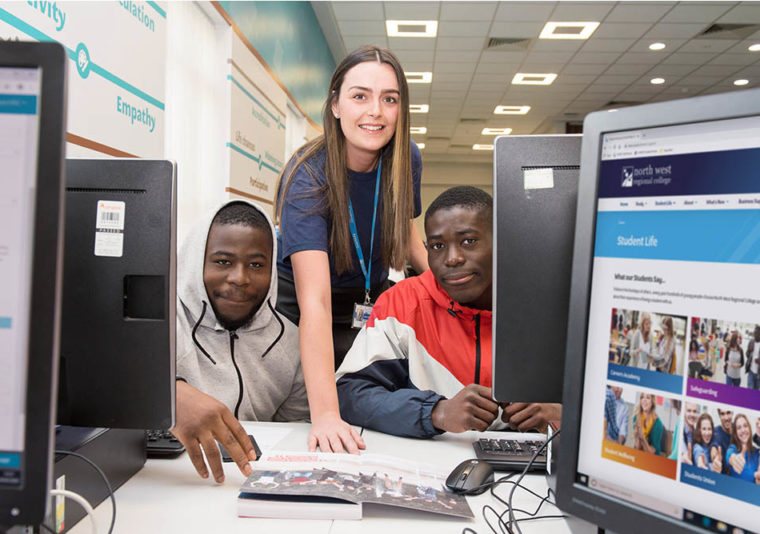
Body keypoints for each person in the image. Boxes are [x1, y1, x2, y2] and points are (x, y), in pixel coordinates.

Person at [274, 45, 429, 453]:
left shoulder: (406, 158)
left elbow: (406, 230)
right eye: (360, 96)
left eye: (389, 99)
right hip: (304, 305)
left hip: (366, 299)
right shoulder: (306, 175)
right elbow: (316, 302)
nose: (375, 111)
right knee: (326, 413)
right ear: (336, 106)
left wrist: (445, 284)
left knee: (378, 404)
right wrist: (325, 415)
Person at [335, 186, 561, 438]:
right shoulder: (403, 302)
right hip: (428, 465)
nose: (452, 258)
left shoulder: (549, 307)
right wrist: (436, 412)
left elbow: (604, 400)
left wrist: (563, 413)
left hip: (528, 471)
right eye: (437, 245)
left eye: (469, 241)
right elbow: (350, 393)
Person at [173, 200, 309, 482]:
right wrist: (167, 397)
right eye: (223, 262)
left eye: (256, 265)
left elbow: (297, 436)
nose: (240, 278)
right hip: (166, 482)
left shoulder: (292, 343)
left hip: (249, 484)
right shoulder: (162, 322)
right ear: (195, 260)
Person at [726, 413, 760, 483]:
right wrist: (735, 460)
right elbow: (730, 456)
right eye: (739, 428)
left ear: (749, 428)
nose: (743, 430)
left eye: (745, 426)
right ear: (735, 433)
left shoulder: (756, 452)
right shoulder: (733, 449)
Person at [713, 408, 734, 474]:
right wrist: (715, 459)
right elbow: (714, 447)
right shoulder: (716, 433)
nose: (726, 418)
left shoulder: (737, 428)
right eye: (722, 414)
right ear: (719, 416)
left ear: (732, 412)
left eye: (728, 412)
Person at [745, 326, 760, 390]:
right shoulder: (751, 342)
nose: (754, 335)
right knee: (750, 389)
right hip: (751, 371)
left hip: (758, 374)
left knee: (756, 391)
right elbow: (747, 355)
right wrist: (749, 350)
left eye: (756, 333)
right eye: (754, 333)